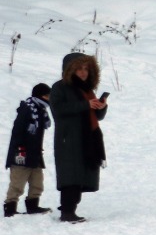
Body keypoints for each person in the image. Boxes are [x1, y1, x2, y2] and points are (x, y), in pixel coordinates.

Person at [49, 52, 108, 223]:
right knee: (71, 176)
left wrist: (101, 106)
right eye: (79, 69)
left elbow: (97, 116)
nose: (83, 72)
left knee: (79, 175)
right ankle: (67, 212)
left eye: (86, 69)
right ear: (69, 70)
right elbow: (59, 110)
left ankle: (70, 211)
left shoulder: (87, 90)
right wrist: (86, 104)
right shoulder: (59, 87)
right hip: (69, 140)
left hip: (87, 138)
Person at [5, 82, 52, 217]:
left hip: (35, 153)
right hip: (21, 152)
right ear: (42, 96)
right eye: (48, 95)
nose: (50, 98)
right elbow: (18, 130)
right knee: (18, 181)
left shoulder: (40, 110)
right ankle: (10, 208)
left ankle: (33, 206)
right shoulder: (27, 109)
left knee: (37, 181)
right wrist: (20, 150)